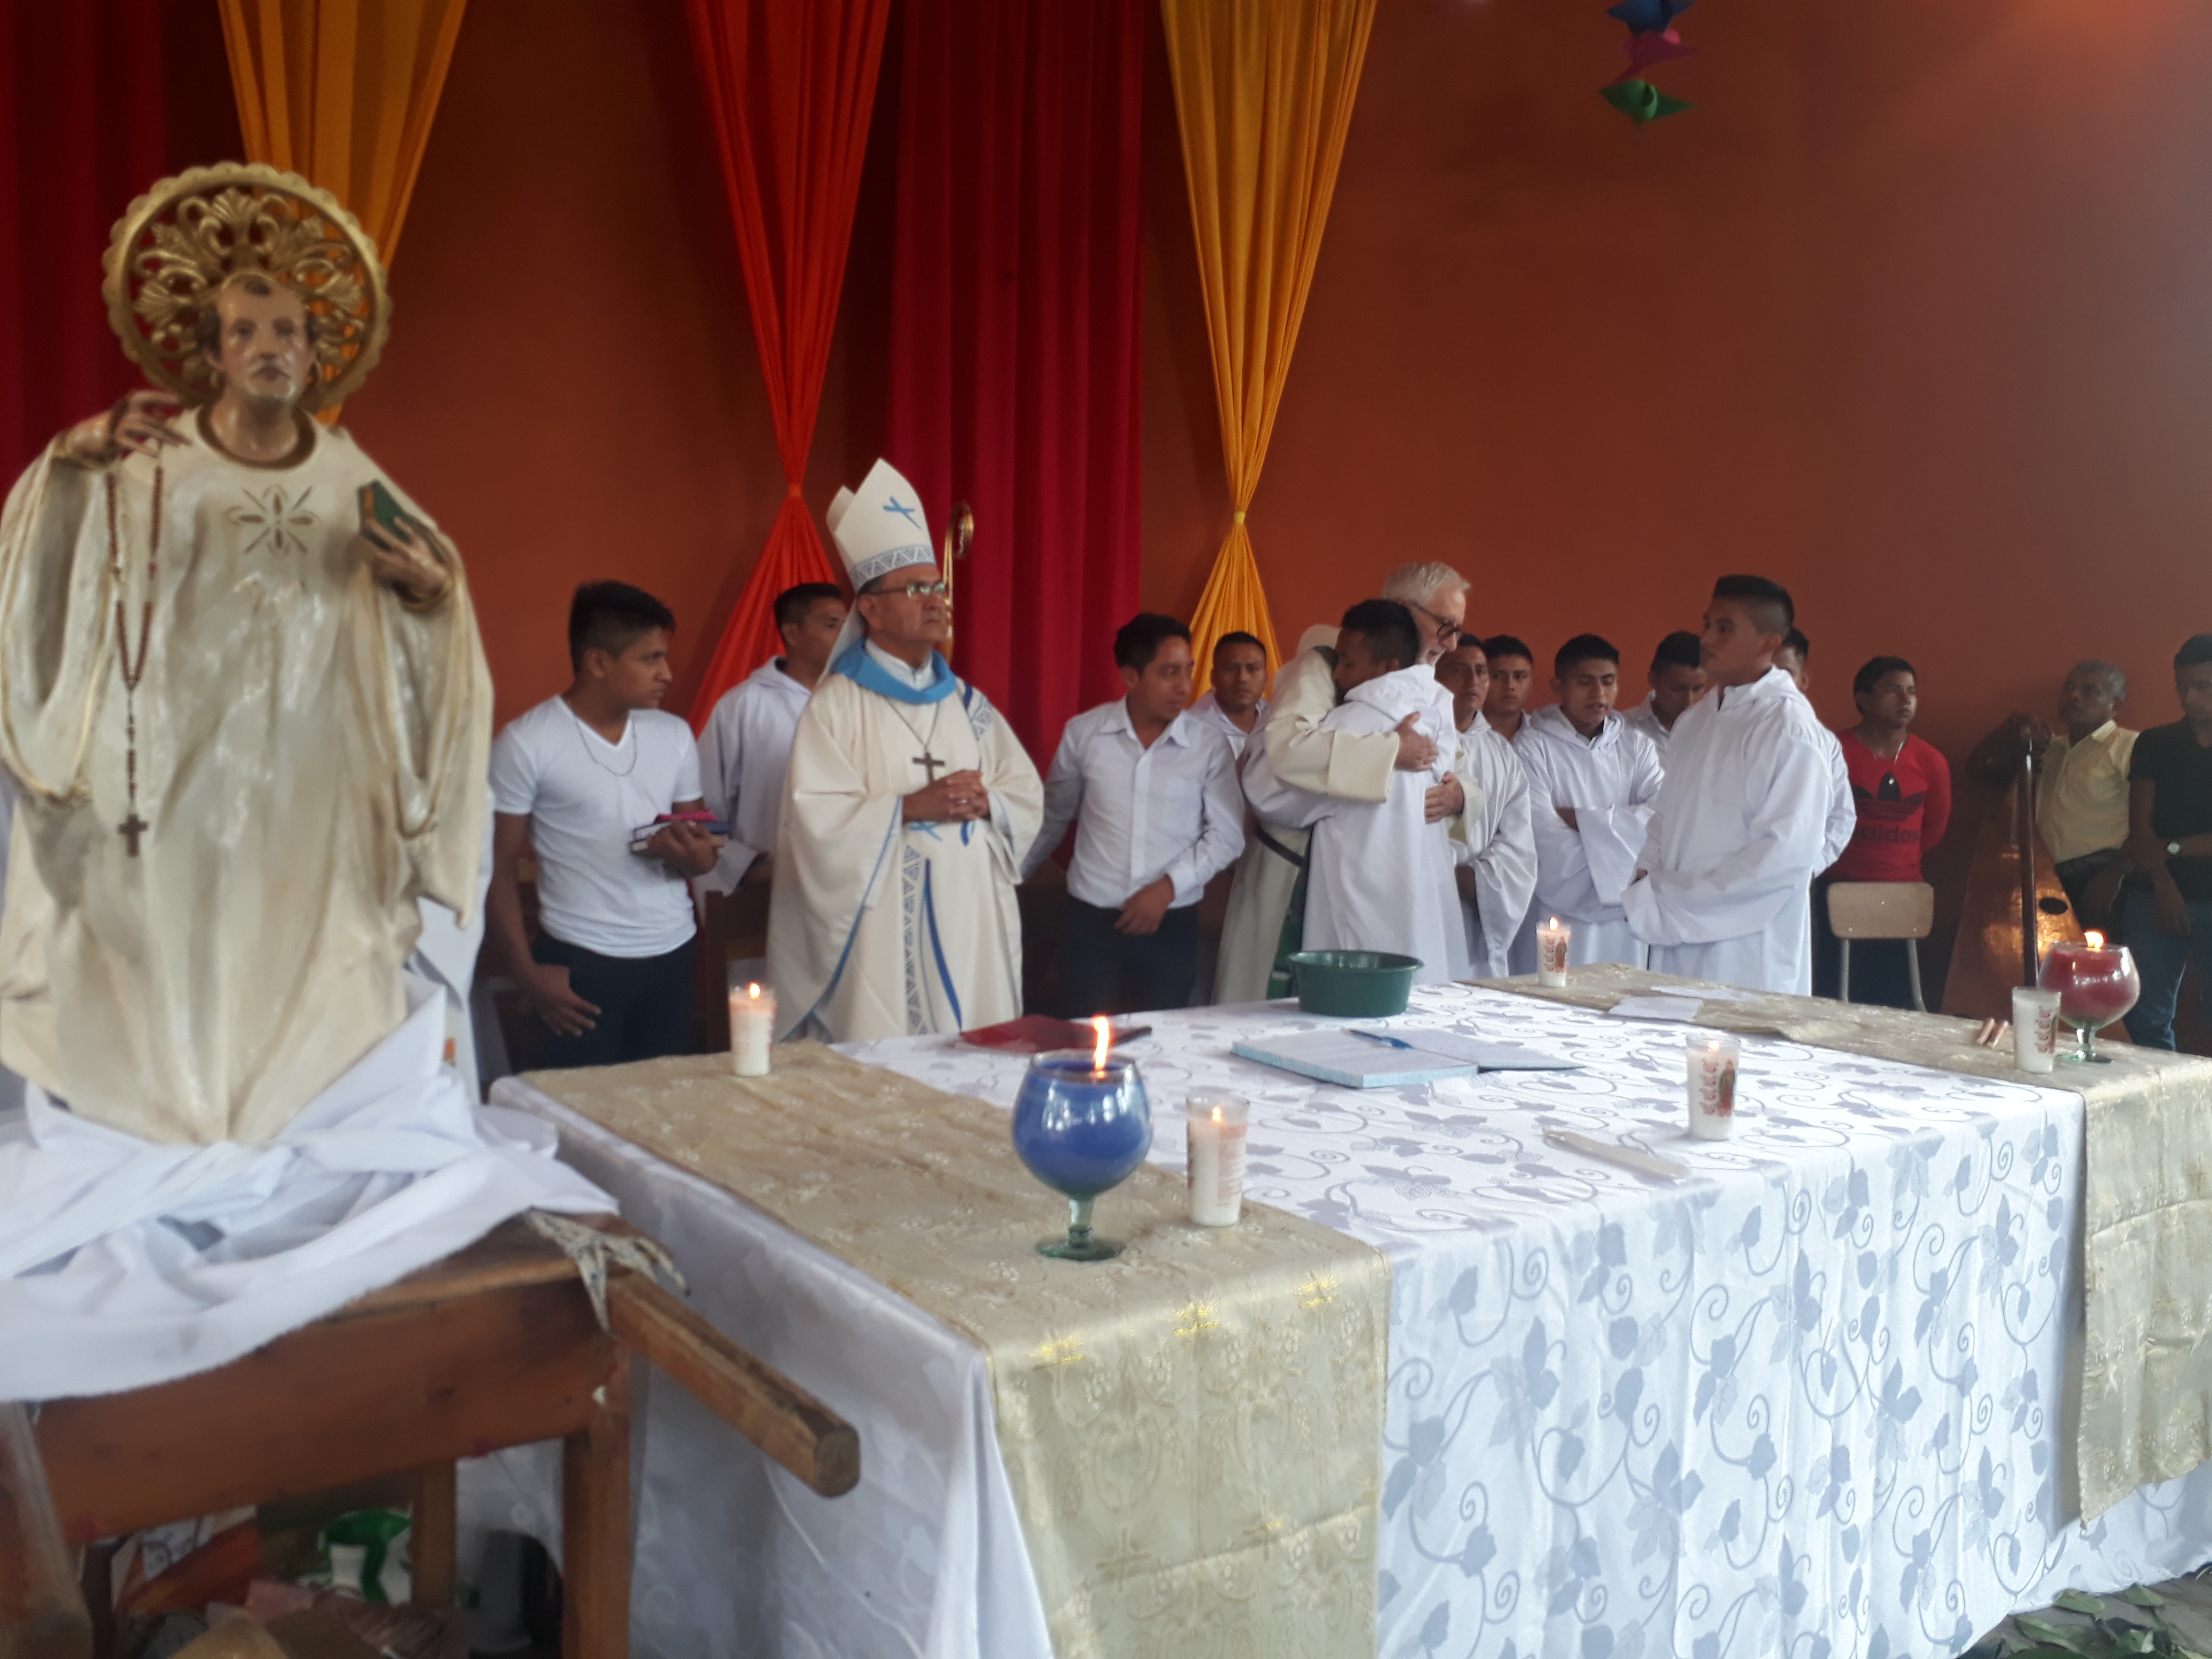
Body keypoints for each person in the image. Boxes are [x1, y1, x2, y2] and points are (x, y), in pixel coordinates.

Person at [0, 166, 610, 1403]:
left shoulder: (352, 483)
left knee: (317, 954)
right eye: (246, 329)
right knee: (162, 960)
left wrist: (432, 600)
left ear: (317, 349)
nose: (269, 347)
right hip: (168, 802)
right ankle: (174, 1116)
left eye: (288, 329)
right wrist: (66, 469)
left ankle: (288, 1116)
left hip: (311, 802)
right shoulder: (140, 467)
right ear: (211, 350)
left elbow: (437, 621)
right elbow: (44, 595)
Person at [769, 460, 1044, 1041]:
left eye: (938, 587)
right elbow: (812, 820)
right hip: (883, 931)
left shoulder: (967, 703)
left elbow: (1024, 791)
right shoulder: (837, 706)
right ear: (870, 610)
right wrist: (909, 807)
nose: (936, 600)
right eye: (916, 589)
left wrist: (989, 802)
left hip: (971, 920)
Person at [1214, 561, 1467, 1002]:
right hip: (1298, 865)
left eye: (1458, 629)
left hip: (1377, 875)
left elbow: (1459, 767)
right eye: (1445, 626)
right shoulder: (1328, 663)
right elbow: (1286, 755)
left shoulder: (1428, 695)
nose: (1452, 643)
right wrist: (1388, 753)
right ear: (1403, 608)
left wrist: (1460, 796)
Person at [488, 584, 719, 1065]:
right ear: (598, 663)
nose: (667, 674)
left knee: (666, 1100)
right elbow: (496, 865)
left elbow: (702, 849)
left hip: (674, 952)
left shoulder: (673, 734)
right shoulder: (527, 743)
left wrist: (694, 856)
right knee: (581, 1104)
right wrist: (526, 974)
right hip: (582, 960)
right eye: (651, 659)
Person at [1622, 576, 1833, 993]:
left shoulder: (1787, 728)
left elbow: (1785, 853)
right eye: (1707, 624)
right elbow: (1667, 814)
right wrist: (1649, 875)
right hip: (1675, 924)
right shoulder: (1696, 720)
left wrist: (1687, 898)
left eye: (1725, 628)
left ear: (1769, 642)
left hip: (1745, 942)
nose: (1706, 638)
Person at [1025, 614, 1244, 1014]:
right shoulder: (1085, 734)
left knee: (1163, 1038)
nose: (1184, 687)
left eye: (1189, 670)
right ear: (1130, 676)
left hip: (1171, 923)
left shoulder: (1208, 745)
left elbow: (1227, 836)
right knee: (1085, 1036)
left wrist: (1168, 888)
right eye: (1169, 673)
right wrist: (1011, 876)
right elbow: (1054, 817)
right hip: (1091, 922)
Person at [1512, 634, 1664, 970]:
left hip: (1625, 920)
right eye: (1585, 682)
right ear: (1558, 685)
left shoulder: (1637, 747)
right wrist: (1620, 877)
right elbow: (1540, 831)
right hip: (1557, 907)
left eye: (1608, 681)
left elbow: (1661, 819)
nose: (1599, 694)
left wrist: (1581, 819)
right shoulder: (1532, 747)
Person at [1814, 656, 1952, 1005]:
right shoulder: (1835, 751)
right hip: (1840, 885)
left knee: (1895, 994)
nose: (1906, 700)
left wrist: (1895, 856)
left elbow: (1935, 826)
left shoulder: (1930, 760)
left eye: (1911, 691)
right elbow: (1817, 817)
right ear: (1863, 700)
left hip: (1902, 891)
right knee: (1836, 990)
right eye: (1892, 690)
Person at [697, 581, 847, 894]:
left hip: (846, 877)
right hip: (767, 879)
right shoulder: (744, 705)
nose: (845, 636)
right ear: (792, 633)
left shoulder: (858, 702)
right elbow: (707, 800)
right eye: (832, 625)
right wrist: (740, 862)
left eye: (848, 626)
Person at [1969, 661, 2137, 929]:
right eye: (2069, 688)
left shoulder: (2129, 746)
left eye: (2090, 691)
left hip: (2101, 877)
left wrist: (2115, 874)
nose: (2074, 696)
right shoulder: (2048, 748)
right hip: (2048, 876)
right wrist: (2011, 730)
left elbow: (2152, 820)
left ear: (2115, 705)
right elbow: (1980, 770)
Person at [2121, 636, 2212, 1049]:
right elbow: (2140, 827)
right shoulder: (2155, 742)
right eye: (2182, 686)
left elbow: (2158, 843)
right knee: (2146, 1018)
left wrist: (2170, 847)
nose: (2189, 698)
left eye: (2203, 686)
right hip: (2153, 895)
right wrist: (2163, 885)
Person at [1436, 638, 1538, 976]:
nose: (1473, 681)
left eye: (1481, 672)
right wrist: (1432, 871)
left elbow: (1518, 843)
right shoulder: (1418, 742)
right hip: (1422, 896)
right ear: (1434, 675)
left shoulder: (1501, 753)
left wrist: (1475, 880)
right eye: (1459, 670)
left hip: (1475, 904)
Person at [1775, 625, 1857, 873]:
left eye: (1785, 674)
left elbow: (1841, 817)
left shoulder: (1824, 744)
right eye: (1764, 674)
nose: (1773, 683)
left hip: (1791, 880)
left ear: (1804, 680)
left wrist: (1809, 868)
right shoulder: (1723, 732)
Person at [1620, 631, 1708, 759]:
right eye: (1678, 689)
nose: (1689, 700)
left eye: (1698, 689)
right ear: (1653, 680)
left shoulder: (1714, 729)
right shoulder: (1622, 730)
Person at [1186, 630, 1271, 758]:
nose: (1242, 678)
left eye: (1253, 669)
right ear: (1213, 677)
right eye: (1231, 669)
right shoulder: (1190, 729)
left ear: (1266, 678)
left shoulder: (1280, 722)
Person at [1482, 634, 1537, 742]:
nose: (1510, 686)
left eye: (1519, 677)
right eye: (1498, 677)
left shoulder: (1544, 733)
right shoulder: (1461, 732)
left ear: (1531, 685)